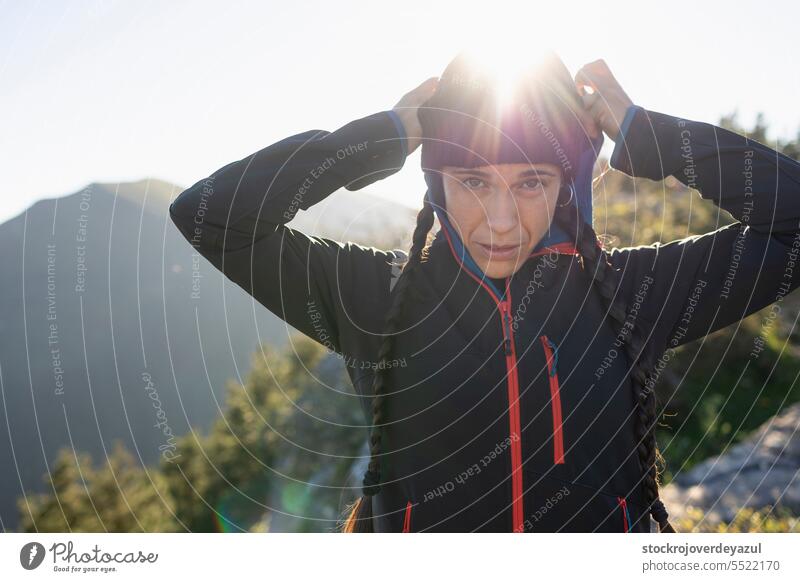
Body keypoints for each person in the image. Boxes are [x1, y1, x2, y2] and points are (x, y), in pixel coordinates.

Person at [169, 51, 800, 533]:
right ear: (436, 183)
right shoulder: (374, 298)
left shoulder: (632, 294)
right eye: (473, 180)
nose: (501, 221)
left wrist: (647, 133)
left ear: (568, 186)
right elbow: (208, 215)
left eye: (531, 183)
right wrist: (376, 140)